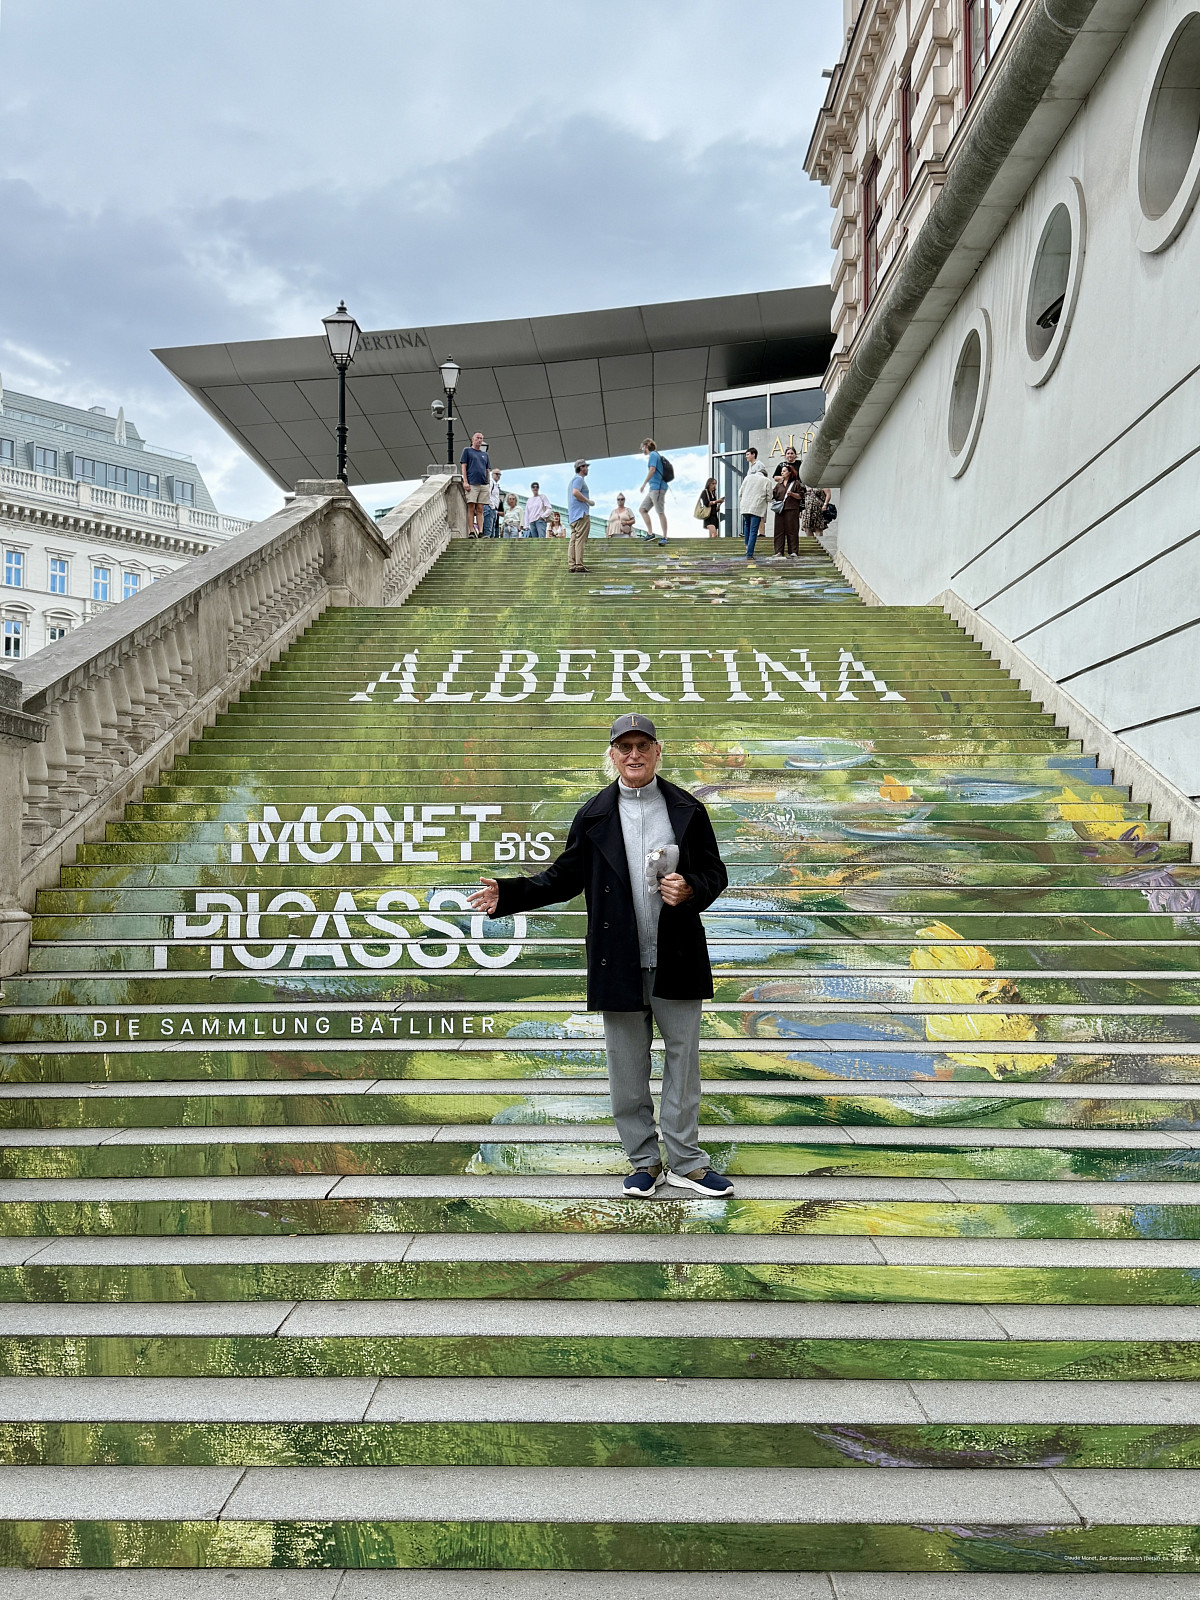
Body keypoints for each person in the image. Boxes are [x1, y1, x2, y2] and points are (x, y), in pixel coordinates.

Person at [468, 713, 732, 1198]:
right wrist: (507, 894)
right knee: (626, 1066)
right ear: (612, 755)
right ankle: (644, 1162)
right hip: (619, 958)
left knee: (683, 1063)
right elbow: (562, 879)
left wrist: (691, 887)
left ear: (657, 751)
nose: (634, 755)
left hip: (676, 955)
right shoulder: (594, 815)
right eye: (624, 747)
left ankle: (688, 1163)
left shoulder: (687, 809)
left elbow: (716, 873)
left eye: (642, 746)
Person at [738, 447, 771, 560]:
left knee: (747, 526)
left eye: (748, 454)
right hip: (756, 506)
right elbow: (769, 496)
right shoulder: (766, 480)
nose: (746, 456)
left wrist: (743, 501)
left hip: (745, 506)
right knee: (753, 530)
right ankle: (749, 553)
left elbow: (740, 492)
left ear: (753, 454)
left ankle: (747, 546)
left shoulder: (754, 471)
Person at [459, 433, 490, 537]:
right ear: (473, 439)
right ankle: (471, 531)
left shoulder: (485, 455)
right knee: (471, 506)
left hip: (483, 484)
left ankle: (481, 531)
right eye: (477, 438)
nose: (479, 440)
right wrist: (465, 481)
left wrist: (488, 483)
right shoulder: (467, 451)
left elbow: (487, 470)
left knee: (480, 508)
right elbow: (464, 466)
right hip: (472, 483)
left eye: (481, 438)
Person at [638, 438, 669, 545]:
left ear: (646, 446)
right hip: (653, 488)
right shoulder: (655, 455)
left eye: (642, 447)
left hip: (658, 488)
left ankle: (665, 537)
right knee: (642, 509)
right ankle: (650, 533)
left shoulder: (653, 455)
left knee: (660, 512)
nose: (642, 449)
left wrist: (644, 484)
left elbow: (652, 469)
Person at [567, 460, 594, 573]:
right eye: (586, 467)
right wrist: (588, 501)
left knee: (573, 539)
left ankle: (572, 564)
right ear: (581, 467)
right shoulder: (578, 479)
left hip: (573, 515)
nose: (587, 468)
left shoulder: (572, 480)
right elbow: (575, 492)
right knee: (580, 539)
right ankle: (579, 564)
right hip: (580, 513)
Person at [772, 463, 804, 557]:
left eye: (784, 471)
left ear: (790, 472)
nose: (782, 473)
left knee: (792, 530)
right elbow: (773, 495)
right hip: (780, 510)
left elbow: (800, 496)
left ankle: (793, 551)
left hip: (792, 509)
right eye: (781, 471)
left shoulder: (796, 483)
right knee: (779, 531)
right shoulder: (779, 485)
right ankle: (778, 551)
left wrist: (792, 494)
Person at [483, 467, 503, 539]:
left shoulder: (496, 485)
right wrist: (492, 505)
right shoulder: (491, 482)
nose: (498, 476)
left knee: (492, 530)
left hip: (493, 509)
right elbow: (488, 493)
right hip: (490, 507)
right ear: (492, 474)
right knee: (488, 528)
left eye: (499, 474)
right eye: (497, 474)